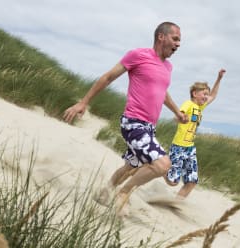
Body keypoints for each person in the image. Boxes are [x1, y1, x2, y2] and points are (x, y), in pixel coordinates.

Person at [63, 22, 188, 215]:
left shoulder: (168, 67)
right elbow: (108, 77)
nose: (178, 44)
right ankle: (124, 193)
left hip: (149, 128)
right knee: (162, 165)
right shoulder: (138, 55)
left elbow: (162, 92)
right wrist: (83, 102)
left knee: (130, 168)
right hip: (133, 123)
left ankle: (103, 193)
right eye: (176, 38)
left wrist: (176, 112)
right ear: (161, 37)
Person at [164, 69, 226, 199]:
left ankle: (175, 203)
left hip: (190, 149)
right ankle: (159, 168)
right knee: (172, 182)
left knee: (192, 181)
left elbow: (213, 96)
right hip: (178, 147)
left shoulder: (200, 107)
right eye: (204, 94)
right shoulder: (189, 104)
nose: (206, 97)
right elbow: (179, 114)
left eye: (206, 94)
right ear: (194, 93)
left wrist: (219, 79)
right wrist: (179, 118)